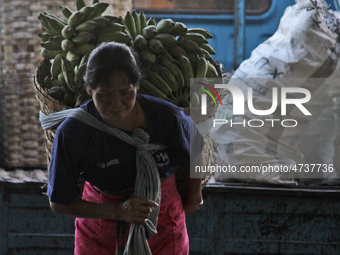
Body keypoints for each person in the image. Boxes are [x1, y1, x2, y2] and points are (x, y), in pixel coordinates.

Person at [47, 42, 205, 255]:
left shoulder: (168, 117)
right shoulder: (74, 132)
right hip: (101, 227)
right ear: (88, 90)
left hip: (164, 224)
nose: (116, 103)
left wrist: (195, 194)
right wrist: (118, 211)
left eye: (125, 92)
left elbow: (195, 149)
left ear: (137, 86)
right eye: (104, 94)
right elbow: (59, 203)